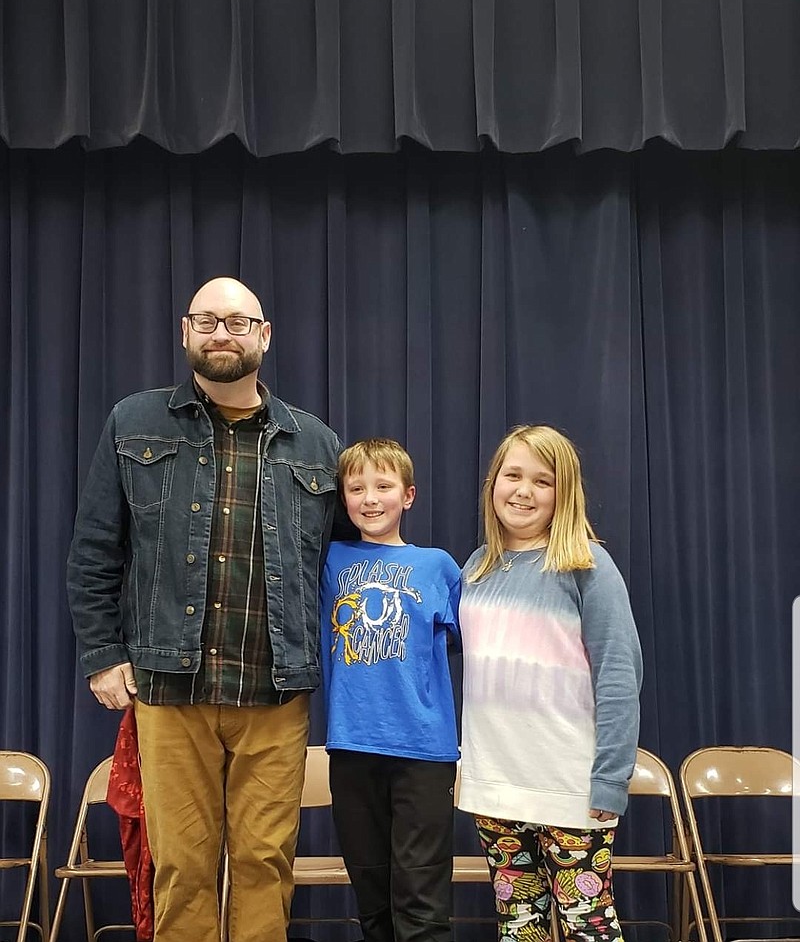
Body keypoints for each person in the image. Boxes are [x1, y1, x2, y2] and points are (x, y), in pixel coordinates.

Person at [67, 276, 343, 942]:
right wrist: (105, 655)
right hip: (170, 688)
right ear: (186, 333)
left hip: (276, 695)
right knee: (183, 868)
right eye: (208, 320)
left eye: (239, 322)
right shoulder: (133, 422)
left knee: (264, 864)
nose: (224, 333)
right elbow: (95, 550)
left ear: (265, 336)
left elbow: (344, 572)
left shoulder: (317, 445)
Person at [457, 425, 643, 942]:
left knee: (589, 928)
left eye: (543, 481)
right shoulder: (477, 567)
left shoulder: (587, 563)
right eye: (512, 475)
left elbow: (619, 674)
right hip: (494, 785)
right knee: (520, 928)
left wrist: (611, 777)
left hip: (570, 788)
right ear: (493, 483)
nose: (523, 491)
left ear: (564, 493)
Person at [319, 438, 461, 942]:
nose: (370, 498)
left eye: (383, 486)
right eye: (356, 488)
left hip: (425, 752)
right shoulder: (328, 560)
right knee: (373, 902)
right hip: (352, 747)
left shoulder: (439, 566)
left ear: (409, 495)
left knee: (421, 903)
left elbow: (478, 639)